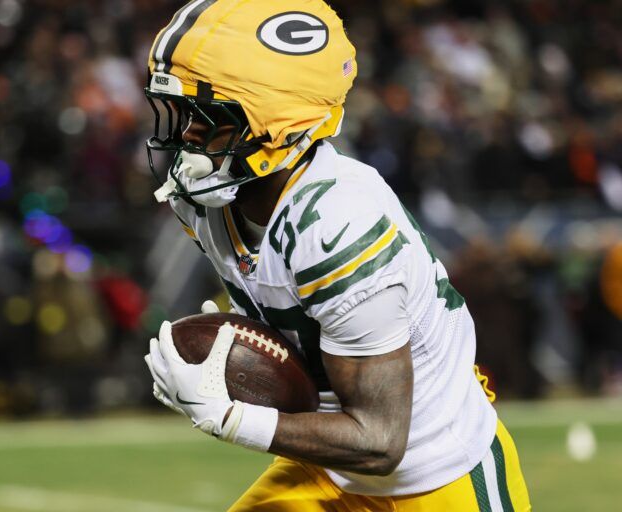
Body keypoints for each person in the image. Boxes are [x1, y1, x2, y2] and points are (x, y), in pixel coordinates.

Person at [143, 1, 531, 510]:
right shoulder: (204, 199)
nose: (186, 135)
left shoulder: (337, 223)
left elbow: (380, 440)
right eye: (180, 112)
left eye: (207, 116)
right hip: (331, 467)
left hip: (434, 471)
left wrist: (230, 416)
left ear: (275, 126)